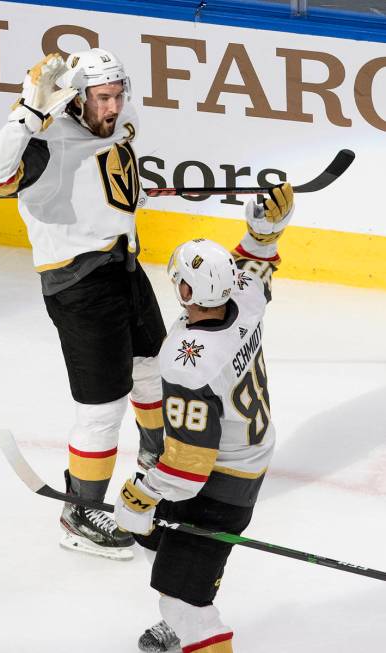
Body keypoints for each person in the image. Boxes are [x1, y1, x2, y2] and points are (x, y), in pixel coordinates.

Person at [0, 48, 166, 560]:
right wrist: (27, 111)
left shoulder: (117, 124)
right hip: (78, 286)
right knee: (103, 409)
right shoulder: (44, 141)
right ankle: (80, 512)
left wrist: (126, 196)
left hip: (124, 265)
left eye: (120, 95)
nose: (115, 107)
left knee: (154, 372)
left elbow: (111, 171)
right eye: (103, 98)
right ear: (76, 100)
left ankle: (156, 463)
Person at [114, 183, 294, 651]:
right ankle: (189, 597)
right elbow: (256, 263)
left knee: (180, 601)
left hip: (219, 482)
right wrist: (263, 232)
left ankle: (188, 616)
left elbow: (190, 464)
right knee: (157, 538)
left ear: (188, 289)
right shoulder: (247, 297)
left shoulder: (188, 360)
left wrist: (144, 493)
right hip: (246, 450)